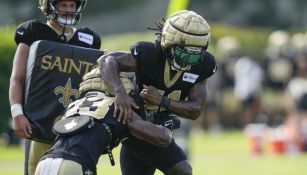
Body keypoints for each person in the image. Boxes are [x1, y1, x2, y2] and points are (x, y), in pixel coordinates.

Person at [98, 10, 217, 175]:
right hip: (136, 119)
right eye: (183, 52)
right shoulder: (150, 54)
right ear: (168, 43)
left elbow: (195, 110)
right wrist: (120, 93)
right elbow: (107, 60)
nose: (187, 61)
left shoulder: (204, 65)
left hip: (161, 121)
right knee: (182, 169)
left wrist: (162, 100)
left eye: (194, 56)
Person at [9, 0, 101, 175]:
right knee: (35, 170)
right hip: (39, 121)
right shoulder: (33, 31)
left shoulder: (89, 40)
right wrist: (17, 113)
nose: (68, 10)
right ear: (49, 6)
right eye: (63, 5)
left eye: (72, 5)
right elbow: (17, 77)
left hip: (75, 121)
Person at [34, 67, 174, 175]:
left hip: (44, 162)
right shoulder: (119, 107)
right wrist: (167, 123)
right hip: (75, 164)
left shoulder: (75, 104)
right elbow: (163, 138)